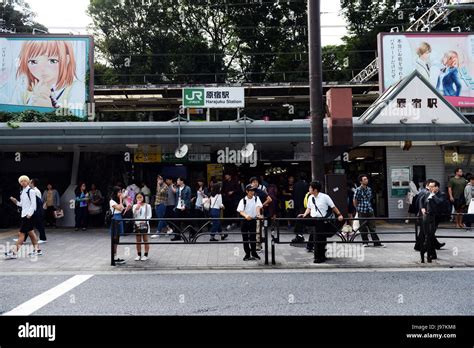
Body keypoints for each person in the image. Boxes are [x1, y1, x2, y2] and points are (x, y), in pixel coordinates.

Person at [13, 41, 85, 113]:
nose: (42, 69)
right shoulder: (23, 89)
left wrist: (48, 109)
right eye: (33, 62)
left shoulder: (76, 88)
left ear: (67, 60)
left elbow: (76, 118)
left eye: (52, 61)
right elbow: (11, 114)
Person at [298, 181, 344, 263]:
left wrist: (339, 214)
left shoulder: (325, 197)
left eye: (310, 188)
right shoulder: (310, 197)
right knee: (317, 237)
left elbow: (333, 207)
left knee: (320, 239)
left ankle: (320, 256)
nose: (309, 189)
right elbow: (309, 208)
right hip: (314, 219)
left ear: (315, 190)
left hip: (322, 220)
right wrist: (304, 215)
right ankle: (319, 256)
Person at [5, 175, 42, 259]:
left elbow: (33, 205)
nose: (23, 182)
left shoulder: (31, 191)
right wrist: (16, 201)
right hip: (24, 215)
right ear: (20, 183)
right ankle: (37, 250)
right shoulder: (22, 192)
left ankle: (14, 252)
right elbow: (22, 204)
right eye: (21, 181)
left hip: (28, 216)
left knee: (21, 234)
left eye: (25, 181)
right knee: (31, 233)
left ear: (28, 182)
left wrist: (29, 215)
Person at [419, 180, 450, 263]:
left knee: (430, 235)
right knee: (429, 235)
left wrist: (433, 195)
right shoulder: (426, 194)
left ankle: (427, 251)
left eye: (432, 186)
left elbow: (439, 202)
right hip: (428, 217)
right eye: (429, 186)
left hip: (436, 217)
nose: (431, 188)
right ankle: (432, 253)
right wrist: (422, 208)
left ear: (437, 187)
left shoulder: (441, 194)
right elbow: (421, 200)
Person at [353, 174, 384, 247]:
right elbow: (355, 200)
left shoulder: (369, 189)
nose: (366, 180)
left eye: (366, 179)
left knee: (372, 227)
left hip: (369, 209)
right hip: (362, 210)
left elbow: (369, 199)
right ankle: (365, 242)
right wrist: (357, 208)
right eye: (364, 179)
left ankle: (376, 242)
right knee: (363, 228)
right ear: (361, 181)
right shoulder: (358, 190)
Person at [237, 185, 263, 261]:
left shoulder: (256, 198)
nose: (252, 192)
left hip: (253, 220)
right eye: (250, 191)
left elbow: (258, 207)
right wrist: (246, 216)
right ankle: (247, 254)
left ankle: (254, 253)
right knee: (245, 238)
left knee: (253, 237)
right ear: (247, 191)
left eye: (253, 190)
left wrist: (258, 214)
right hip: (244, 220)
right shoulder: (243, 200)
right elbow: (240, 211)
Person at [249, 176, 272, 251]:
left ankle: (258, 246)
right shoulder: (248, 192)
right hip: (251, 214)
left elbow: (269, 199)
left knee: (259, 230)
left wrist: (262, 205)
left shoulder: (260, 192)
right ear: (251, 183)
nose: (255, 183)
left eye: (256, 182)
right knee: (252, 229)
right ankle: (255, 244)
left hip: (260, 214)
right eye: (253, 182)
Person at [171, 177, 192, 241]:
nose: (177, 181)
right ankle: (177, 236)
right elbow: (177, 196)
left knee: (188, 221)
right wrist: (172, 186)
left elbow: (188, 198)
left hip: (184, 207)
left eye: (178, 180)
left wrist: (184, 206)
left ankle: (193, 232)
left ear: (182, 181)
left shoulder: (188, 188)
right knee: (176, 222)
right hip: (178, 207)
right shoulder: (178, 188)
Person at [133, 192, 152, 261]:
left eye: (140, 197)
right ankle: (138, 254)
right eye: (138, 197)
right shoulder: (135, 206)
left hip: (144, 224)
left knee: (145, 239)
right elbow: (134, 216)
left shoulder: (148, 206)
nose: (139, 199)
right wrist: (136, 209)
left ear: (143, 197)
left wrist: (145, 220)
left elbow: (149, 215)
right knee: (138, 240)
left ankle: (146, 255)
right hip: (137, 224)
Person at [291, 173, 310, 243]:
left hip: (296, 202)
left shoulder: (295, 184)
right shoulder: (306, 185)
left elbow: (293, 193)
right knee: (303, 215)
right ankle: (302, 229)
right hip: (304, 203)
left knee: (298, 215)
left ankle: (299, 232)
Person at [110, 186, 126, 265]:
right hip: (115, 218)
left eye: (121, 192)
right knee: (114, 238)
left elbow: (122, 208)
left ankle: (115, 256)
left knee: (117, 239)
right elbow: (120, 208)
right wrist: (121, 199)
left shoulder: (117, 201)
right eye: (119, 192)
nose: (120, 194)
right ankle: (113, 257)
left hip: (119, 217)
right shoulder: (112, 201)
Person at [30, 178, 47, 243]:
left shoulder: (36, 191)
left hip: (37, 210)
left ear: (33, 183)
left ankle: (43, 238)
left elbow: (37, 202)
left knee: (39, 225)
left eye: (30, 182)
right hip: (35, 210)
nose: (29, 183)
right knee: (27, 225)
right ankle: (22, 238)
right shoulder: (33, 190)